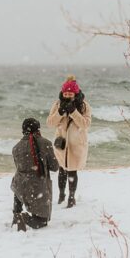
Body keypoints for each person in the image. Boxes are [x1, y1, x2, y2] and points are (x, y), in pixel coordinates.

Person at [46, 75, 92, 208]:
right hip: (61, 144)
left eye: (70, 92)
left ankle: (71, 197)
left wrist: (73, 112)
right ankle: (61, 195)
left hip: (76, 145)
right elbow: (49, 123)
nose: (67, 94)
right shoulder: (57, 104)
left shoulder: (84, 106)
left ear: (75, 93)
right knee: (62, 170)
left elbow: (85, 124)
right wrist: (59, 113)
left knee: (72, 171)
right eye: (65, 92)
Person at [11, 117, 59, 231]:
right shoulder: (45, 143)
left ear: (23, 131)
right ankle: (24, 217)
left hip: (20, 187)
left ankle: (16, 212)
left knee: (19, 182)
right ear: (38, 130)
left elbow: (19, 168)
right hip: (38, 189)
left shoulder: (15, 148)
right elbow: (55, 167)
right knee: (41, 222)